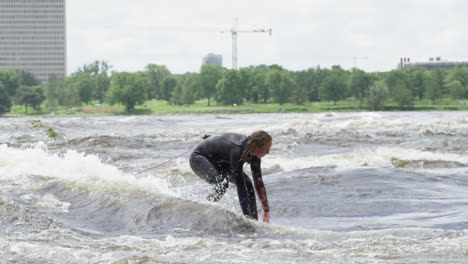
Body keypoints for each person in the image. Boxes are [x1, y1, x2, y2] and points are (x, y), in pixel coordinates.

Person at [189, 130, 272, 223]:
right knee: (222, 184)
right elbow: (241, 187)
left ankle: (254, 220)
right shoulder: (238, 150)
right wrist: (247, 220)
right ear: (256, 146)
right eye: (267, 149)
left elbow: (258, 182)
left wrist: (266, 210)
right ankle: (205, 207)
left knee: (248, 183)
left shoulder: (255, 156)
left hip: (220, 161)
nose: (268, 152)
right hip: (199, 157)